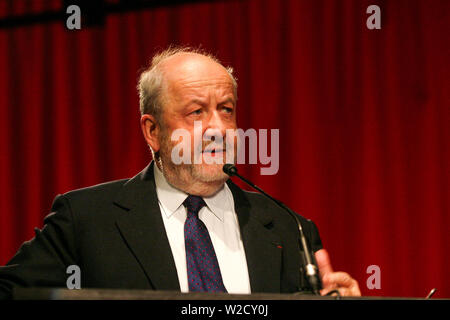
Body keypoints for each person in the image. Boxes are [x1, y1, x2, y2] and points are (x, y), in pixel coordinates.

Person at [0, 47, 360, 299]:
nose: (218, 127)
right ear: (152, 131)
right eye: (196, 112)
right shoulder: (85, 221)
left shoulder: (290, 228)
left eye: (226, 109)